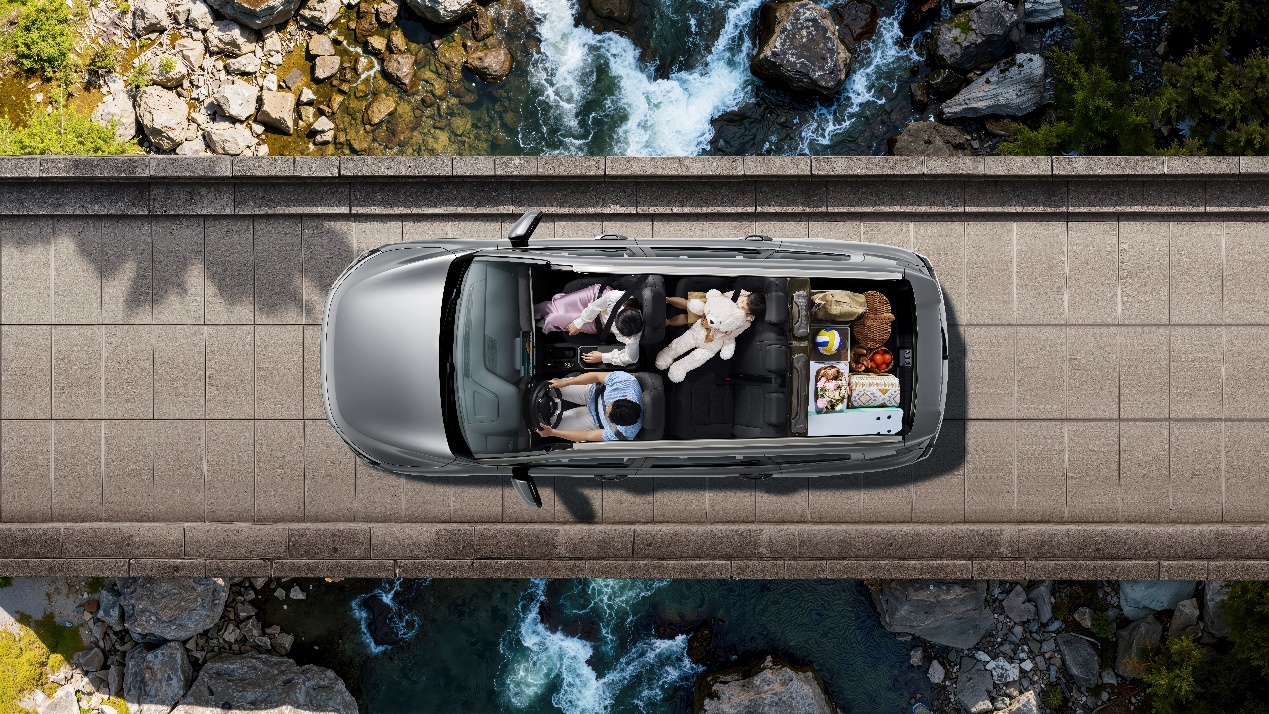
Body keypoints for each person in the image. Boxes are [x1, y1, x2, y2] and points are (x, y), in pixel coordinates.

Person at [534, 284, 643, 366]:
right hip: (596, 298)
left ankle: (536, 327)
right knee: (555, 306)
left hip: (600, 323)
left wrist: (603, 357)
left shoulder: (633, 335)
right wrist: (579, 322)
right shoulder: (617, 297)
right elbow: (595, 307)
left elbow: (632, 358)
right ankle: (531, 311)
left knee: (555, 319)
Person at [536, 371, 643, 442]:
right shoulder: (627, 382)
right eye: (610, 405)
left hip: (593, 420)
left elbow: (588, 435)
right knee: (551, 386)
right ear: (626, 399)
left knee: (548, 426)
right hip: (594, 392)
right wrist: (564, 383)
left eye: (608, 414)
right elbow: (596, 376)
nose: (606, 409)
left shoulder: (625, 432)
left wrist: (552, 433)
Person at [666, 290, 765, 329]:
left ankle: (667, 322)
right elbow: (725, 295)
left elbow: (732, 330)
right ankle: (666, 299)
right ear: (748, 295)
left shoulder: (746, 321)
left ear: (750, 313)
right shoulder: (741, 293)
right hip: (713, 303)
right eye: (743, 301)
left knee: (687, 319)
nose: (740, 304)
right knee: (688, 304)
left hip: (716, 320)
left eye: (743, 308)